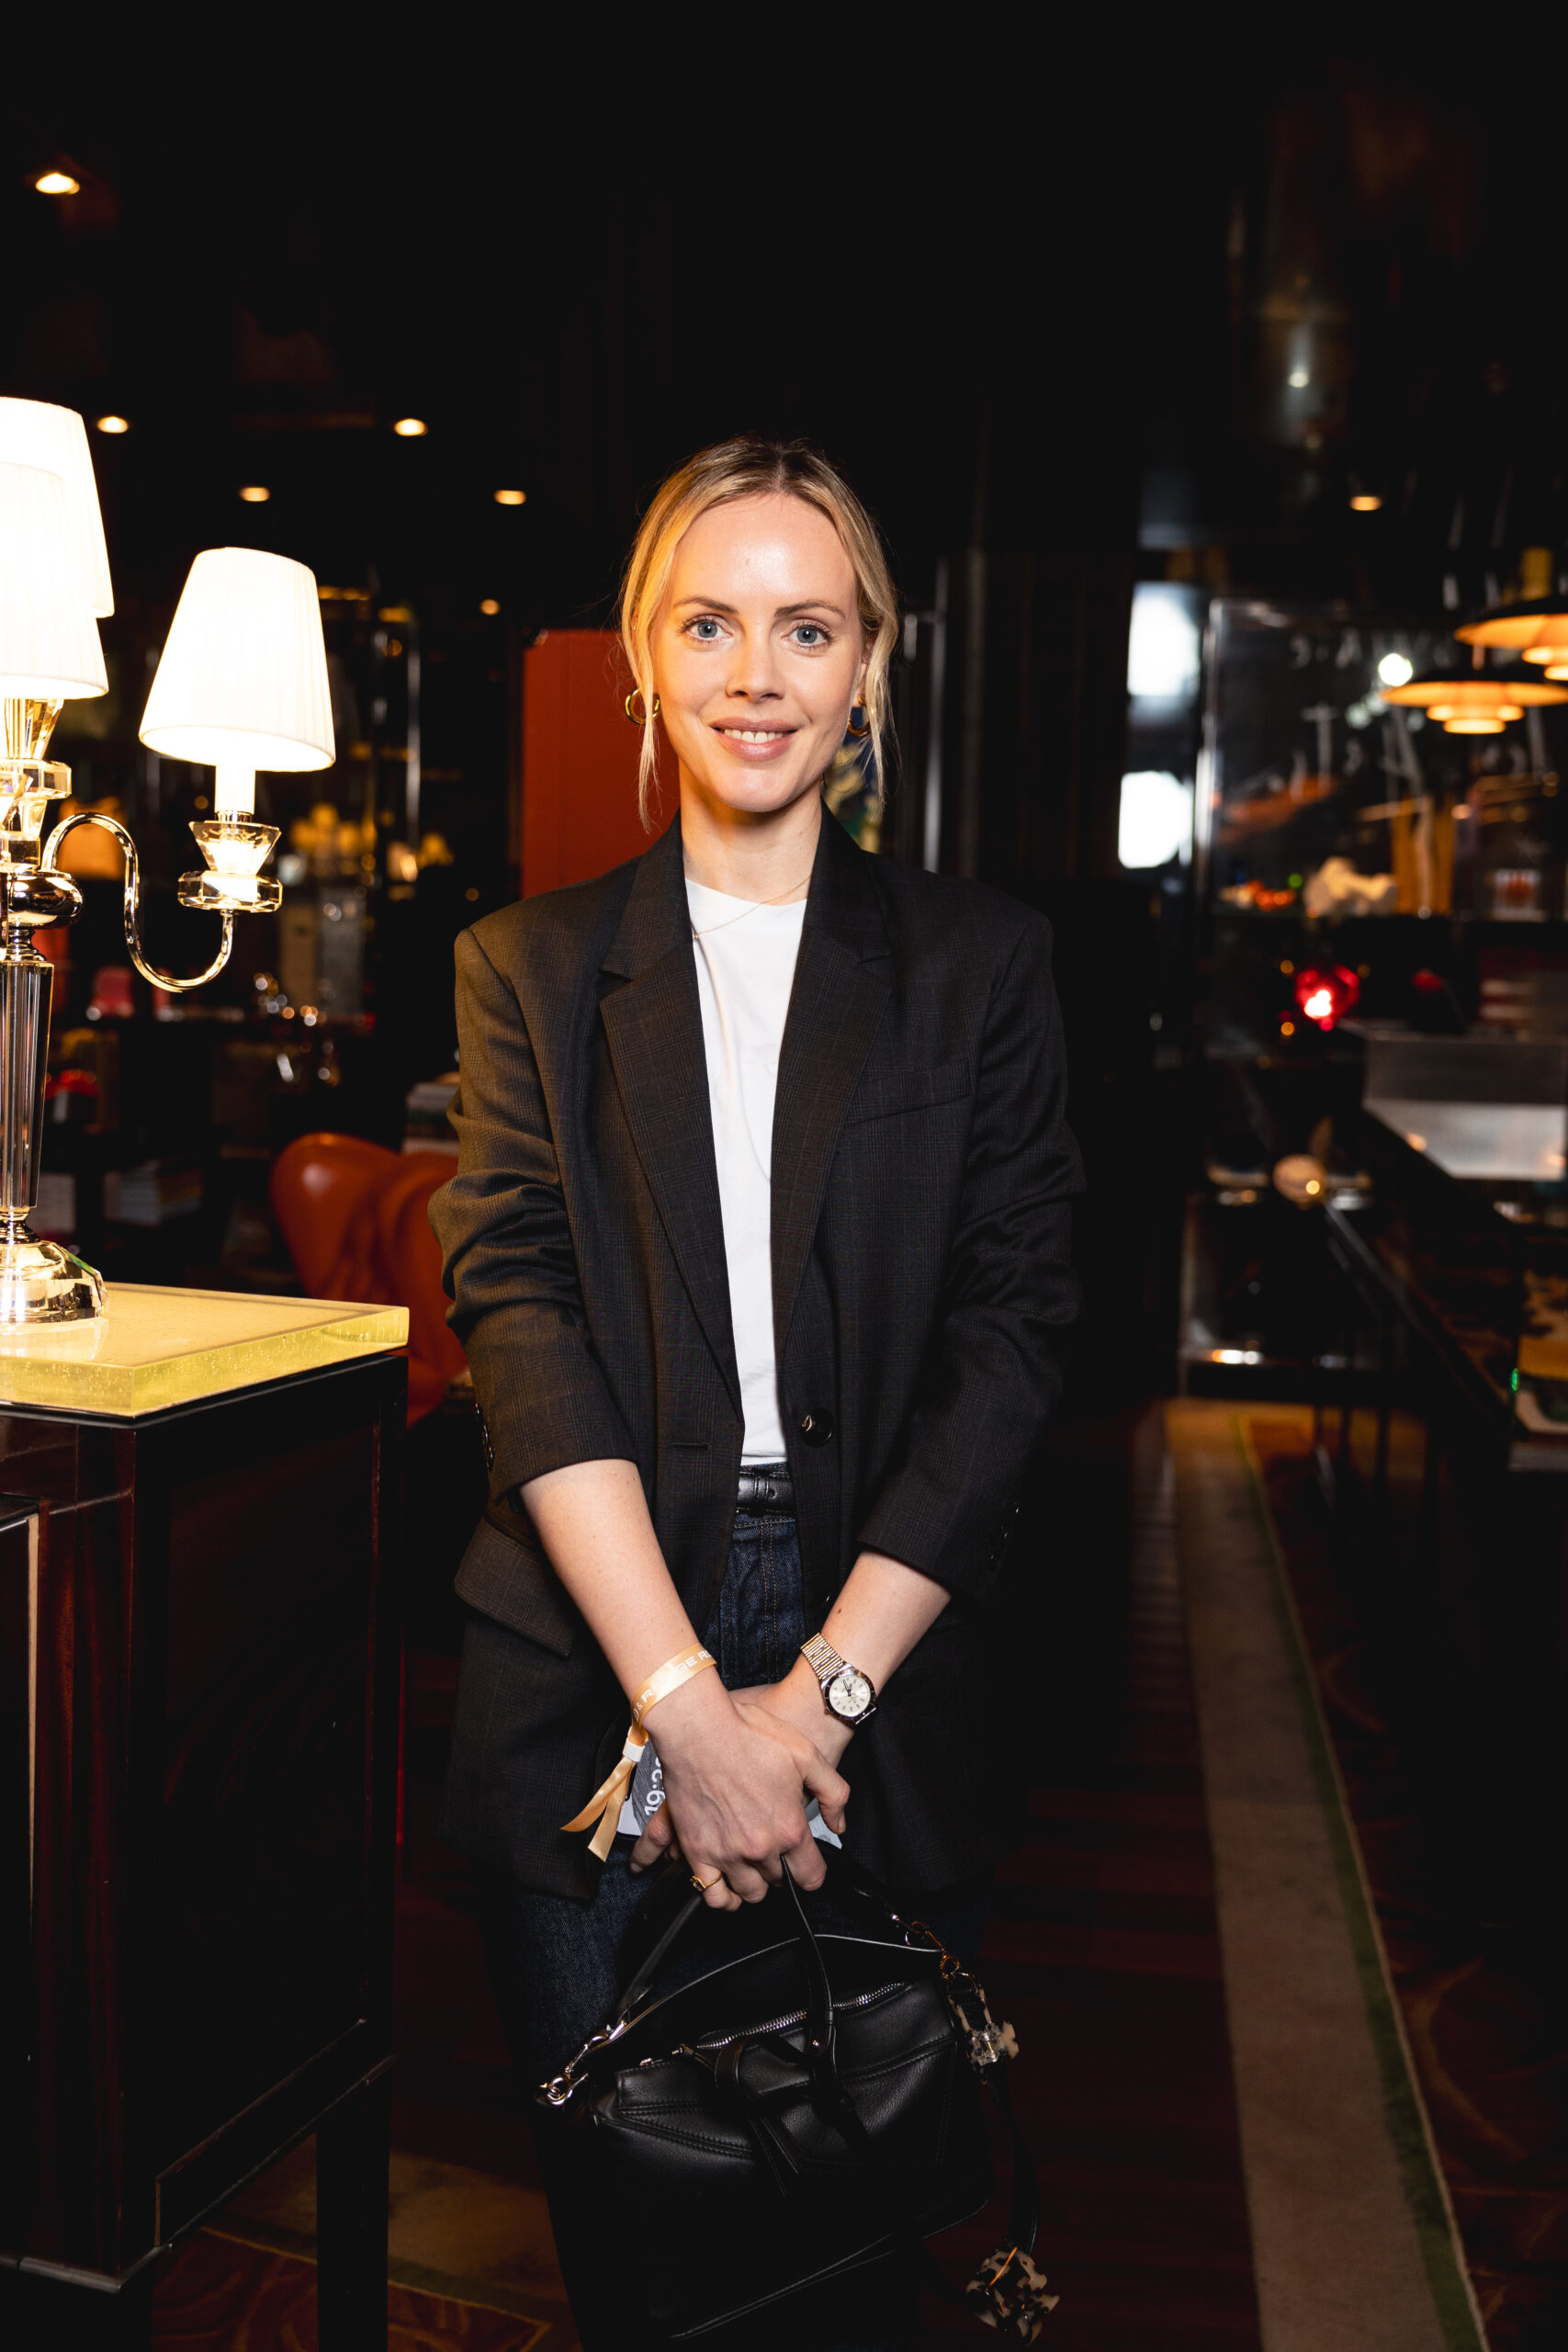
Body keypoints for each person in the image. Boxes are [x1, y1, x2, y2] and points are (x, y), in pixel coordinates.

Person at [431, 435, 1082, 2347]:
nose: (756, 674)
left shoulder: (980, 965)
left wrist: (813, 1701)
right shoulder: (524, 967)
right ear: (644, 654)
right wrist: (680, 1705)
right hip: (593, 1640)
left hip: (883, 1630)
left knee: (848, 2258)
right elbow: (520, 1324)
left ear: (869, 662)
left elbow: (1013, 1334)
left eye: (807, 628)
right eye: (708, 623)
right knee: (638, 2266)